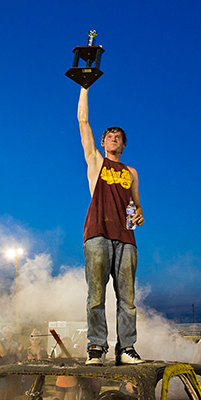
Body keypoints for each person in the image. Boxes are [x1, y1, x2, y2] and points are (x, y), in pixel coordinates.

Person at [78, 86, 145, 366]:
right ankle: (96, 346)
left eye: (118, 137)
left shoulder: (131, 172)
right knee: (96, 295)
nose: (113, 138)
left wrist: (140, 213)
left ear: (124, 145)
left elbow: (137, 205)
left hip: (126, 238)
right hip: (97, 234)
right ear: (103, 142)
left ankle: (126, 348)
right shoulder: (96, 161)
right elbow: (83, 121)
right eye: (109, 136)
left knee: (127, 298)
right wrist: (85, 87)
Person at [0, 326, 21, 400]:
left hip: (11, 371)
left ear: (12, 334)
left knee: (10, 396)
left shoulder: (16, 344)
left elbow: (18, 358)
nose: (7, 334)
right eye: (5, 332)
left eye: (9, 332)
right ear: (2, 333)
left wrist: (17, 352)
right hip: (1, 371)